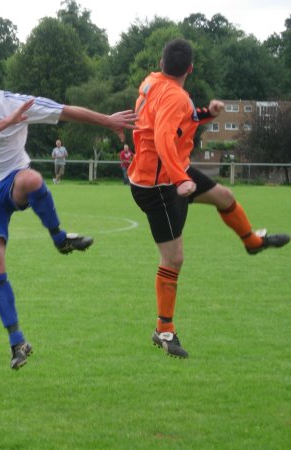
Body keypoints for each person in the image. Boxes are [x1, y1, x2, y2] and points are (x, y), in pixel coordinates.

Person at [0, 63, 137, 370]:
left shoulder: (15, 102)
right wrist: (8, 122)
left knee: (33, 180)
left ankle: (59, 238)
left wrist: (107, 120)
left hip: (12, 179)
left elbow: (65, 111)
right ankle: (17, 342)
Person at [128, 38, 290, 359]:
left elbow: (172, 121)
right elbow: (163, 136)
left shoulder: (153, 82)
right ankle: (164, 330)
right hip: (159, 185)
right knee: (173, 259)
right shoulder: (175, 95)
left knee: (224, 196)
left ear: (162, 64)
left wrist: (204, 113)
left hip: (171, 174)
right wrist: (180, 179)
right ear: (190, 68)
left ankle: (252, 242)